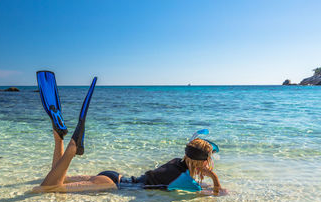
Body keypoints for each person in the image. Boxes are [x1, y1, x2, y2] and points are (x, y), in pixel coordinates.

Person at [33, 71, 224, 195]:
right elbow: (214, 193)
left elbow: (197, 183)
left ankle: (58, 137)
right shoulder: (184, 181)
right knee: (48, 188)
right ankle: (72, 147)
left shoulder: (176, 163)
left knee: (58, 176)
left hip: (115, 176)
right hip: (112, 185)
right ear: (203, 163)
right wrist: (214, 178)